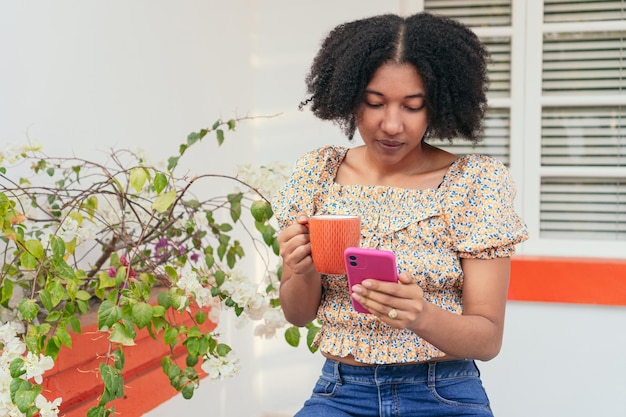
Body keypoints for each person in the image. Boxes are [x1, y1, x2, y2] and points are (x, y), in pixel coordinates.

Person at [272, 11, 529, 417]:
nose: (390, 124)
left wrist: (420, 314)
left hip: (442, 392)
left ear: (438, 107)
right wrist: (302, 269)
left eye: (412, 106)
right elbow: (298, 313)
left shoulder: (474, 183)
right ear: (349, 96)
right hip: (341, 391)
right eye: (374, 103)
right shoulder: (317, 174)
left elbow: (487, 339)